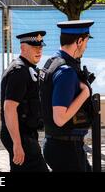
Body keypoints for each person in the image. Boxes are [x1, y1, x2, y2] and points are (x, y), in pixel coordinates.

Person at [40, 20, 94, 172]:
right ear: (79, 41)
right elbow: (60, 118)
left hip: (57, 144)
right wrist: (85, 93)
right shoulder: (66, 71)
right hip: (67, 148)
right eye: (86, 42)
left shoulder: (52, 62)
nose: (86, 46)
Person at [0, 30, 49, 172]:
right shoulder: (19, 71)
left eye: (40, 47)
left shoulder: (27, 68)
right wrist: (17, 143)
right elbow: (9, 108)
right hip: (20, 134)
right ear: (23, 48)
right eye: (34, 47)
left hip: (25, 133)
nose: (39, 51)